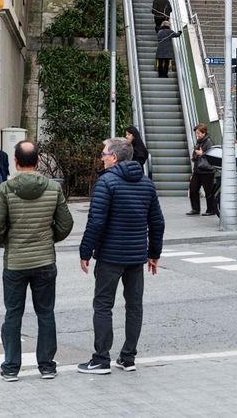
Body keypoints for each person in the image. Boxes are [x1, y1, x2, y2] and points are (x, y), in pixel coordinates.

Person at [78, 137, 165, 375]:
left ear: (114, 158)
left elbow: (96, 221)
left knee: (103, 305)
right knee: (134, 306)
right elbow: (157, 222)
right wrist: (153, 253)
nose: (102, 158)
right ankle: (128, 357)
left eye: (104, 154)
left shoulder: (107, 183)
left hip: (110, 257)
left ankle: (101, 359)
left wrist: (85, 251)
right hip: (136, 258)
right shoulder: (147, 184)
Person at [0, 140, 73, 382]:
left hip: (15, 262)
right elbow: (66, 224)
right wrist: (49, 238)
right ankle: (46, 366)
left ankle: (11, 367)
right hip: (45, 260)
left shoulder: (5, 188)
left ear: (15, 162)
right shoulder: (53, 188)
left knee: (13, 314)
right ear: (37, 162)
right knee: (45, 313)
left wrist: (5, 241)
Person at [187, 124, 216, 216]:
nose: (197, 135)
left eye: (198, 133)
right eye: (197, 133)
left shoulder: (209, 142)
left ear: (204, 132)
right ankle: (195, 209)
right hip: (198, 170)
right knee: (193, 188)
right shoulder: (199, 141)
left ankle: (211, 210)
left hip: (207, 171)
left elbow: (212, 155)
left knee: (209, 191)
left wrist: (202, 153)